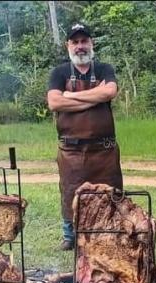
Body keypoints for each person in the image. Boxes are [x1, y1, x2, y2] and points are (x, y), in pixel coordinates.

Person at [47, 23, 123, 251]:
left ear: (91, 43)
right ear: (68, 45)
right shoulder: (59, 73)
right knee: (70, 190)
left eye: (84, 41)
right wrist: (94, 97)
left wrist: (71, 96)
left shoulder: (104, 69)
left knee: (111, 192)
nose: (80, 46)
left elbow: (109, 92)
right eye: (75, 42)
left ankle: (112, 230)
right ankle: (70, 235)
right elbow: (54, 102)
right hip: (71, 150)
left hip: (104, 150)